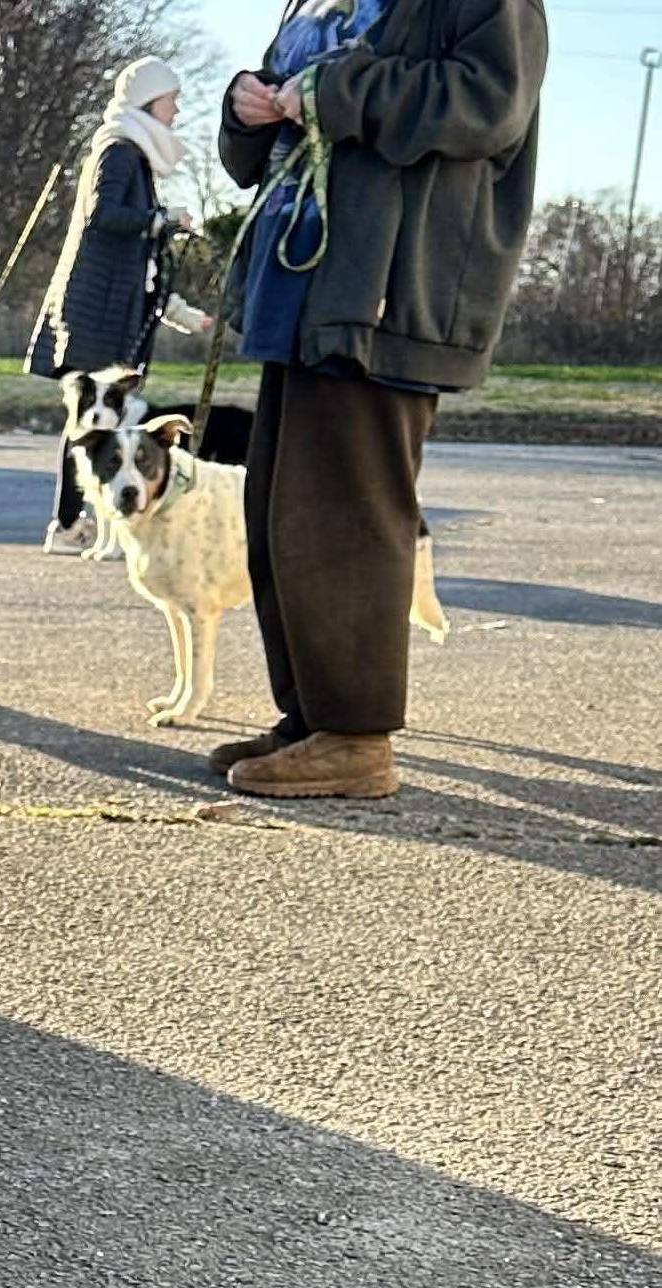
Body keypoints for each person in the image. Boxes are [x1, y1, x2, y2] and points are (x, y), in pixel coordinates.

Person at [213, 0, 548, 800]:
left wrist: (333, 93)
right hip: (302, 290)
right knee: (282, 516)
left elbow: (490, 103)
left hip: (389, 290)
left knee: (346, 517)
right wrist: (247, 108)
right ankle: (311, 720)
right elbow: (260, 150)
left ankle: (356, 737)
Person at [27, 58, 211, 555]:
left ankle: (76, 523)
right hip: (94, 315)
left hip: (106, 312)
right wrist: (161, 218)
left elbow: (136, 261)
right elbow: (103, 214)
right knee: (90, 422)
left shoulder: (132, 153)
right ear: (149, 99)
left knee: (94, 422)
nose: (177, 108)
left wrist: (178, 312)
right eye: (172, 98)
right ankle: (67, 526)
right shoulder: (119, 150)